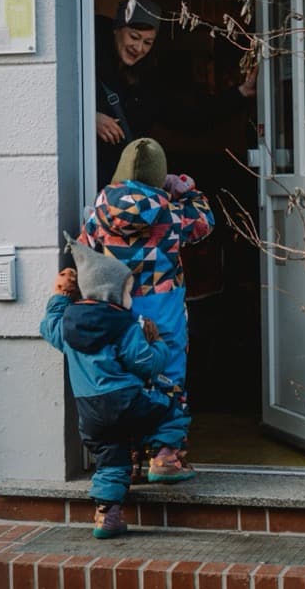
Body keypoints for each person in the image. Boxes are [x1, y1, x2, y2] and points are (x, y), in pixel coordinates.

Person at [80, 137, 212, 482]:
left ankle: (132, 458)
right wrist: (185, 190)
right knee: (169, 376)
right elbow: (204, 223)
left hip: (118, 306)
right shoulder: (169, 212)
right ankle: (166, 457)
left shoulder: (97, 213)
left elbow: (83, 253)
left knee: (128, 376)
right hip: (162, 305)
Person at [39, 234, 182, 539]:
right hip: (126, 402)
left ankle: (107, 515)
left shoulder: (67, 323)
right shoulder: (124, 326)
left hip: (90, 414)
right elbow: (147, 363)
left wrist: (60, 296)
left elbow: (47, 327)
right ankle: (164, 458)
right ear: (112, 293)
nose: (130, 298)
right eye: (128, 292)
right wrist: (157, 343)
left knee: (109, 457)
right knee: (171, 402)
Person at [94, 0, 257, 188]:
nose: (138, 48)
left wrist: (240, 93)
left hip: (126, 189)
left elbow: (189, 116)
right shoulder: (85, 61)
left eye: (148, 42)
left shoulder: (148, 82)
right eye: (134, 37)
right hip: (89, 181)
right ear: (117, 30)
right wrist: (91, 119)